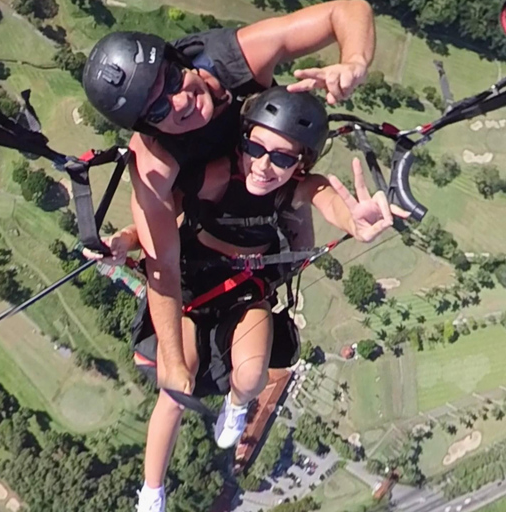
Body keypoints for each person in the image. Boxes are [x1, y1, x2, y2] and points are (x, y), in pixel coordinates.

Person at [85, 87, 408, 512]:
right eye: (254, 147)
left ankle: (236, 407)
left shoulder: (296, 187)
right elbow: (159, 211)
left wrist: (354, 219)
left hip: (243, 289)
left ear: (301, 163)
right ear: (241, 142)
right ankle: (151, 491)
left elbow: (327, 199)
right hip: (190, 287)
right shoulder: (219, 176)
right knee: (176, 383)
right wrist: (123, 241)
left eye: (281, 157)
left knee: (255, 374)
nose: (263, 164)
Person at [82, 0, 376, 399]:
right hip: (212, 209)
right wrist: (172, 361)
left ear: (174, 58)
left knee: (295, 243)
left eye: (170, 80)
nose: (179, 101)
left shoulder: (229, 60)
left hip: (271, 180)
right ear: (145, 127)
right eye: (157, 109)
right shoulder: (153, 162)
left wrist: (354, 61)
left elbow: (346, 9)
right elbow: (163, 265)